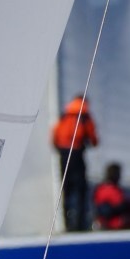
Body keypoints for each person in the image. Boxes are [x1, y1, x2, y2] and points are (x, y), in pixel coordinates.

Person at [51, 94, 100, 232]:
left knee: (66, 189)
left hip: (64, 154)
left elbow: (55, 135)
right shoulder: (84, 116)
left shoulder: (65, 114)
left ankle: (66, 222)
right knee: (81, 189)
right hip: (77, 154)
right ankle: (80, 223)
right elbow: (93, 139)